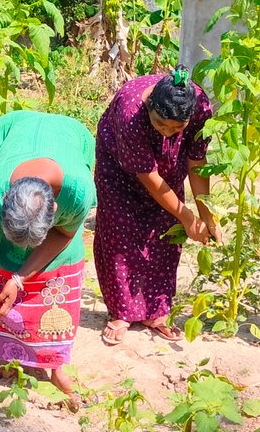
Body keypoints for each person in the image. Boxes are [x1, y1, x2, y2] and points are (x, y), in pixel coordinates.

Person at [0, 111, 96, 400]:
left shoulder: (79, 193)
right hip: (11, 128)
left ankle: (54, 363)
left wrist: (19, 278)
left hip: (73, 134)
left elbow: (65, 235)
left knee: (59, 267)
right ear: (4, 203)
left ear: (55, 211)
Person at [93, 68, 218, 345]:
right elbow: (148, 177)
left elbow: (197, 162)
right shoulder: (130, 112)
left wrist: (206, 216)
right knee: (120, 234)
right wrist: (187, 216)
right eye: (161, 124)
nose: (167, 131)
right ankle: (121, 312)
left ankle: (155, 312)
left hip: (167, 163)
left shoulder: (200, 109)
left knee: (165, 232)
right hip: (119, 165)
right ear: (150, 106)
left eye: (176, 128)